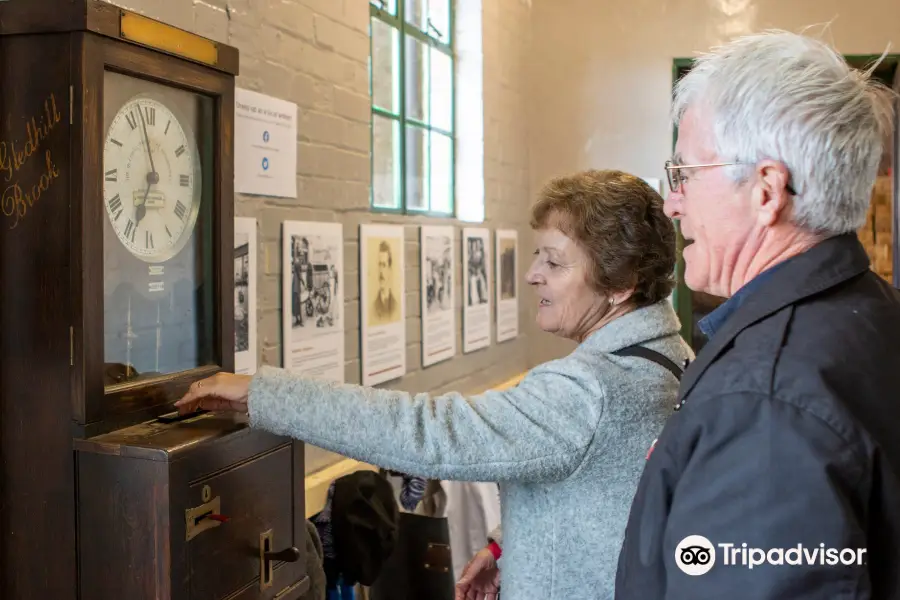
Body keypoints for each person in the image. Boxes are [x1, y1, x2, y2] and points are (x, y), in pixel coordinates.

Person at [176, 170, 693, 599]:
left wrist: (263, 394)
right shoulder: (665, 354)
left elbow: (431, 432)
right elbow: (609, 496)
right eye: (538, 255)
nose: (533, 274)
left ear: (621, 285)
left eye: (555, 262)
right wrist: (506, 546)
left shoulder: (589, 390)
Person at [615, 30, 900, 599]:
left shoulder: (764, 406)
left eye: (684, 175)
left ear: (767, 191)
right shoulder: (867, 308)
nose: (673, 203)